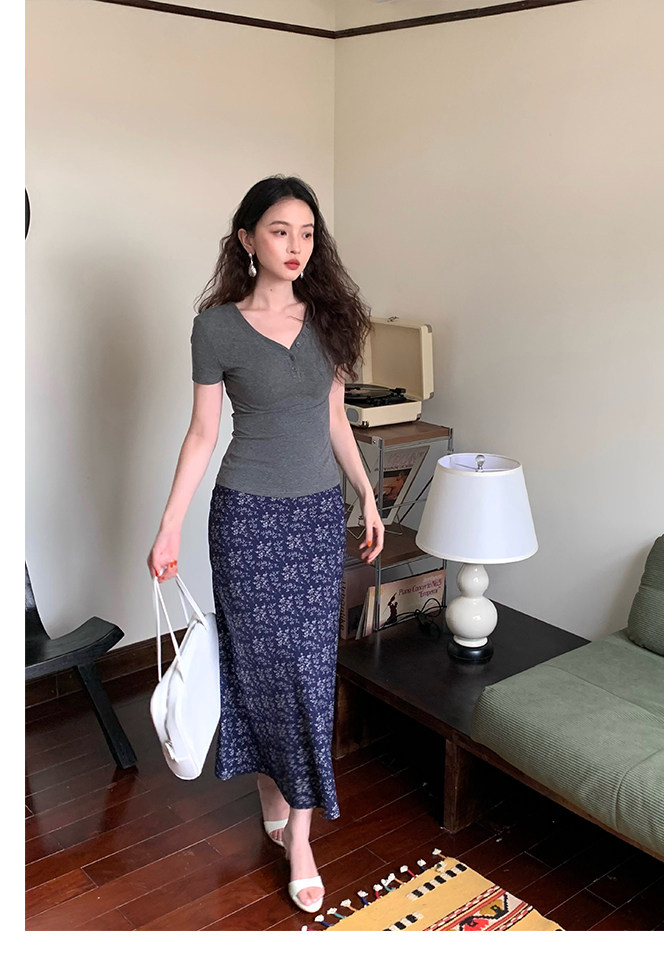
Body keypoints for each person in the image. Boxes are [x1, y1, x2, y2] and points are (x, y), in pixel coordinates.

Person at [147, 175, 384, 914]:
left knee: (308, 674)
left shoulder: (333, 318)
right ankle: (271, 792)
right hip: (245, 519)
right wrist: (169, 524)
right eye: (281, 231)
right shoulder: (216, 329)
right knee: (258, 667)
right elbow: (202, 433)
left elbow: (335, 417)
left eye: (307, 233)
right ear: (248, 238)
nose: (296, 246)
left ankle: (302, 839)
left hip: (315, 519)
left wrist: (367, 493)